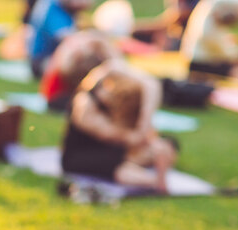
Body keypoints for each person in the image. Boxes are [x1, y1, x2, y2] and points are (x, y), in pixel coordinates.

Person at [61, 60, 178, 192]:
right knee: (119, 166)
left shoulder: (110, 79)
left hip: (111, 148)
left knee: (162, 147)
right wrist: (138, 136)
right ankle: (155, 182)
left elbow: (151, 85)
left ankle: (154, 175)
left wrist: (145, 123)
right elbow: (107, 133)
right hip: (81, 154)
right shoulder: (84, 103)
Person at [39, 30, 120, 111]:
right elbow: (68, 74)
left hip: (56, 94)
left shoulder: (77, 43)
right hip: (58, 96)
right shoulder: (77, 51)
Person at [180, 0, 238, 80]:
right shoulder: (208, 28)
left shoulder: (210, 10)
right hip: (200, 63)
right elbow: (227, 53)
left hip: (202, 60)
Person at [28, 0, 93, 78]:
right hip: (43, 61)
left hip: (54, 57)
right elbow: (69, 39)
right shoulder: (53, 7)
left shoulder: (65, 8)